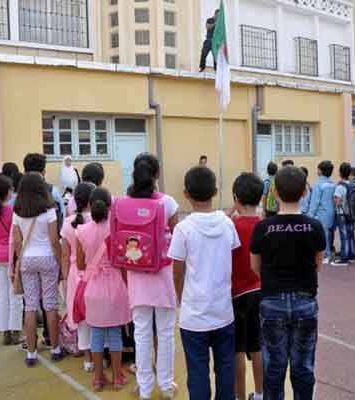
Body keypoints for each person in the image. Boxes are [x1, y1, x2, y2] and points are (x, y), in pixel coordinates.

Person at [250, 166, 325, 399]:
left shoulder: (263, 228)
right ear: (304, 192)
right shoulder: (314, 227)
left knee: (274, 368)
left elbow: (255, 267)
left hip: (272, 301)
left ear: (275, 191)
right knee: (303, 368)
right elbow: (318, 264)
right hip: (305, 300)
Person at [169, 166, 240, 400]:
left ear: (186, 193)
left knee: (197, 373)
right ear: (216, 191)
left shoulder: (183, 229)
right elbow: (233, 255)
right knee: (225, 370)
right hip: (222, 311)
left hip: (194, 315)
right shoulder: (227, 223)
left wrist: (181, 298)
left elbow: (177, 274)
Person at [127, 154, 179, 400]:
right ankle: (166, 385)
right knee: (167, 331)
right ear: (157, 174)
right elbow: (177, 241)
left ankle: (144, 388)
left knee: (142, 332)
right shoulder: (168, 203)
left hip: (137, 273)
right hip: (163, 273)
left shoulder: (124, 203)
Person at [76, 187, 131, 391]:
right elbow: (124, 260)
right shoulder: (117, 230)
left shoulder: (81, 231)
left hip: (93, 288)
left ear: (90, 205)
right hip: (116, 285)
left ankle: (98, 378)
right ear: (110, 206)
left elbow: (81, 265)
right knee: (115, 333)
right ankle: (118, 376)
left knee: (96, 335)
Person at [12, 172, 63, 367]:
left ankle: (31, 353)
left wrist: (20, 260)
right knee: (50, 305)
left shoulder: (17, 212)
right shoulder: (49, 211)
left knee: (30, 306)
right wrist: (60, 262)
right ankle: (56, 348)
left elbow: (17, 241)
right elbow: (53, 240)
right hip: (47, 257)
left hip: (27, 259)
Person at [230, 172, 264, 400]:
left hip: (236, 293)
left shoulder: (230, 226)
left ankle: (240, 396)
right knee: (258, 346)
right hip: (260, 290)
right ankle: (260, 394)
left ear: (236, 198)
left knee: (237, 350)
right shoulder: (264, 225)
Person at [0, 175, 23, 344]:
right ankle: (15, 330)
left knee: (1, 294)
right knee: (15, 293)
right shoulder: (13, 210)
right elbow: (17, 235)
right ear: (8, 191)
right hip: (11, 255)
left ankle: (5, 331)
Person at [61, 182, 94, 372]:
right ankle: (101, 356)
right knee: (97, 316)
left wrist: (65, 279)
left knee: (81, 318)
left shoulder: (67, 223)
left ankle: (88, 359)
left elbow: (65, 255)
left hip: (75, 274)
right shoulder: (97, 220)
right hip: (95, 272)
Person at [23, 153, 65, 230]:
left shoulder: (17, 192)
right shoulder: (52, 191)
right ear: (43, 172)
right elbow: (62, 215)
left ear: (24, 172)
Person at [307, 160, 336, 264]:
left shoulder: (318, 184)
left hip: (321, 214)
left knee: (321, 236)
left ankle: (325, 255)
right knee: (328, 234)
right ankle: (327, 253)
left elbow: (315, 202)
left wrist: (310, 215)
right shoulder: (333, 184)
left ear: (320, 171)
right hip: (331, 213)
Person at [332, 162, 355, 266]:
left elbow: (337, 201)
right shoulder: (352, 185)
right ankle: (351, 254)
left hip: (342, 213)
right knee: (350, 234)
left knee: (344, 235)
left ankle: (344, 257)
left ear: (340, 173)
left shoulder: (340, 186)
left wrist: (334, 199)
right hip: (352, 213)